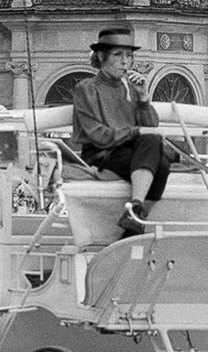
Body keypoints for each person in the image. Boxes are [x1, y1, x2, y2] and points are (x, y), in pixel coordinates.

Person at [70, 27, 175, 237]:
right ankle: (135, 217)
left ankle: (134, 214)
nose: (125, 62)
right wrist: (136, 131)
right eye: (118, 55)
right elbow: (99, 135)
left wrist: (143, 98)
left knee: (159, 158)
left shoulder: (131, 87)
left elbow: (150, 126)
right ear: (101, 57)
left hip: (131, 151)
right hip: (101, 153)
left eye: (129, 56)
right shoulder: (87, 88)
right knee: (159, 162)